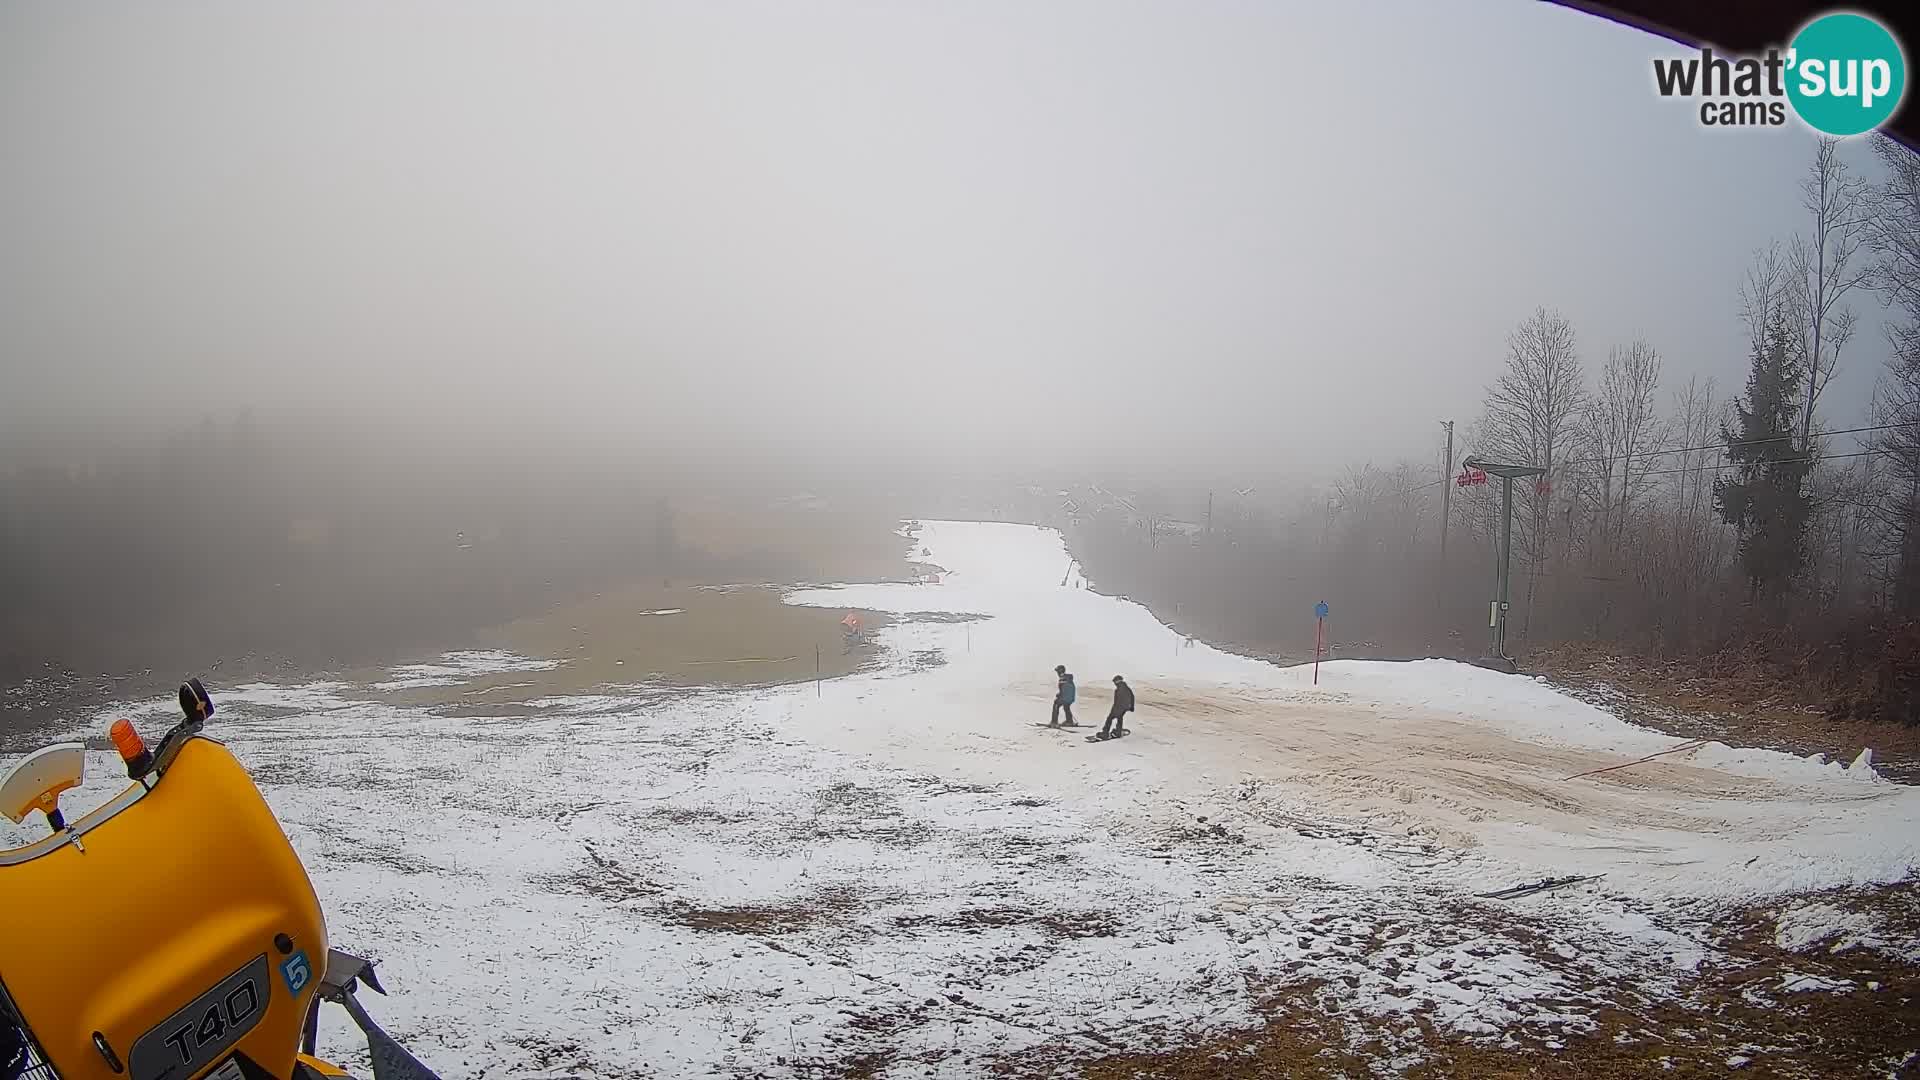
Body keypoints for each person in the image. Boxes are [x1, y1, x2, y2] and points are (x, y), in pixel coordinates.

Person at [1101, 675, 1135, 739]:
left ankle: (1105, 733)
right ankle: (1118, 731)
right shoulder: (1127, 688)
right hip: (1125, 707)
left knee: (1110, 718)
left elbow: (1117, 701)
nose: (1114, 684)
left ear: (1117, 681)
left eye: (1114, 682)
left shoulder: (1119, 689)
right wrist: (1132, 707)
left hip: (1119, 707)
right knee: (1119, 717)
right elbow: (1132, 697)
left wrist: (1114, 710)